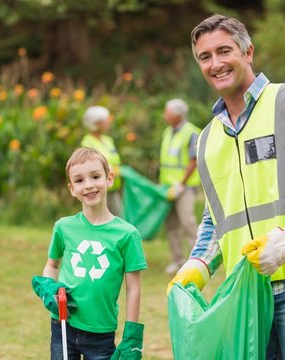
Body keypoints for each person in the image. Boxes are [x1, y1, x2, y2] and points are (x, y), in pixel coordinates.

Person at [168, 14, 285, 359]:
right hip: (246, 294)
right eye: (205, 57)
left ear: (248, 52)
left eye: (224, 51)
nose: (216, 64)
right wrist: (197, 264)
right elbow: (216, 219)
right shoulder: (208, 138)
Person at [32, 147, 147, 359]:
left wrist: (132, 334)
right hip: (63, 324)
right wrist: (49, 286)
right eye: (79, 180)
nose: (89, 185)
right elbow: (52, 265)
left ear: (109, 178)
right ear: (71, 188)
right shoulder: (63, 227)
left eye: (95, 176)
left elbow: (133, 288)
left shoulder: (127, 235)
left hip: (101, 332)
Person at [159, 98, 201, 274]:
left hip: (184, 188)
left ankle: (197, 261)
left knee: (188, 222)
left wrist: (181, 183)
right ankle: (177, 261)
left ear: (178, 115)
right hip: (168, 187)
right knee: (172, 225)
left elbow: (194, 160)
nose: (164, 116)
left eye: (167, 112)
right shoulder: (168, 132)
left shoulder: (191, 132)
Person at [81, 106, 123, 217]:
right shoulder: (87, 142)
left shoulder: (108, 140)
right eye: (105, 121)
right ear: (95, 123)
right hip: (98, 189)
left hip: (113, 187)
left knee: (118, 218)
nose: (108, 123)